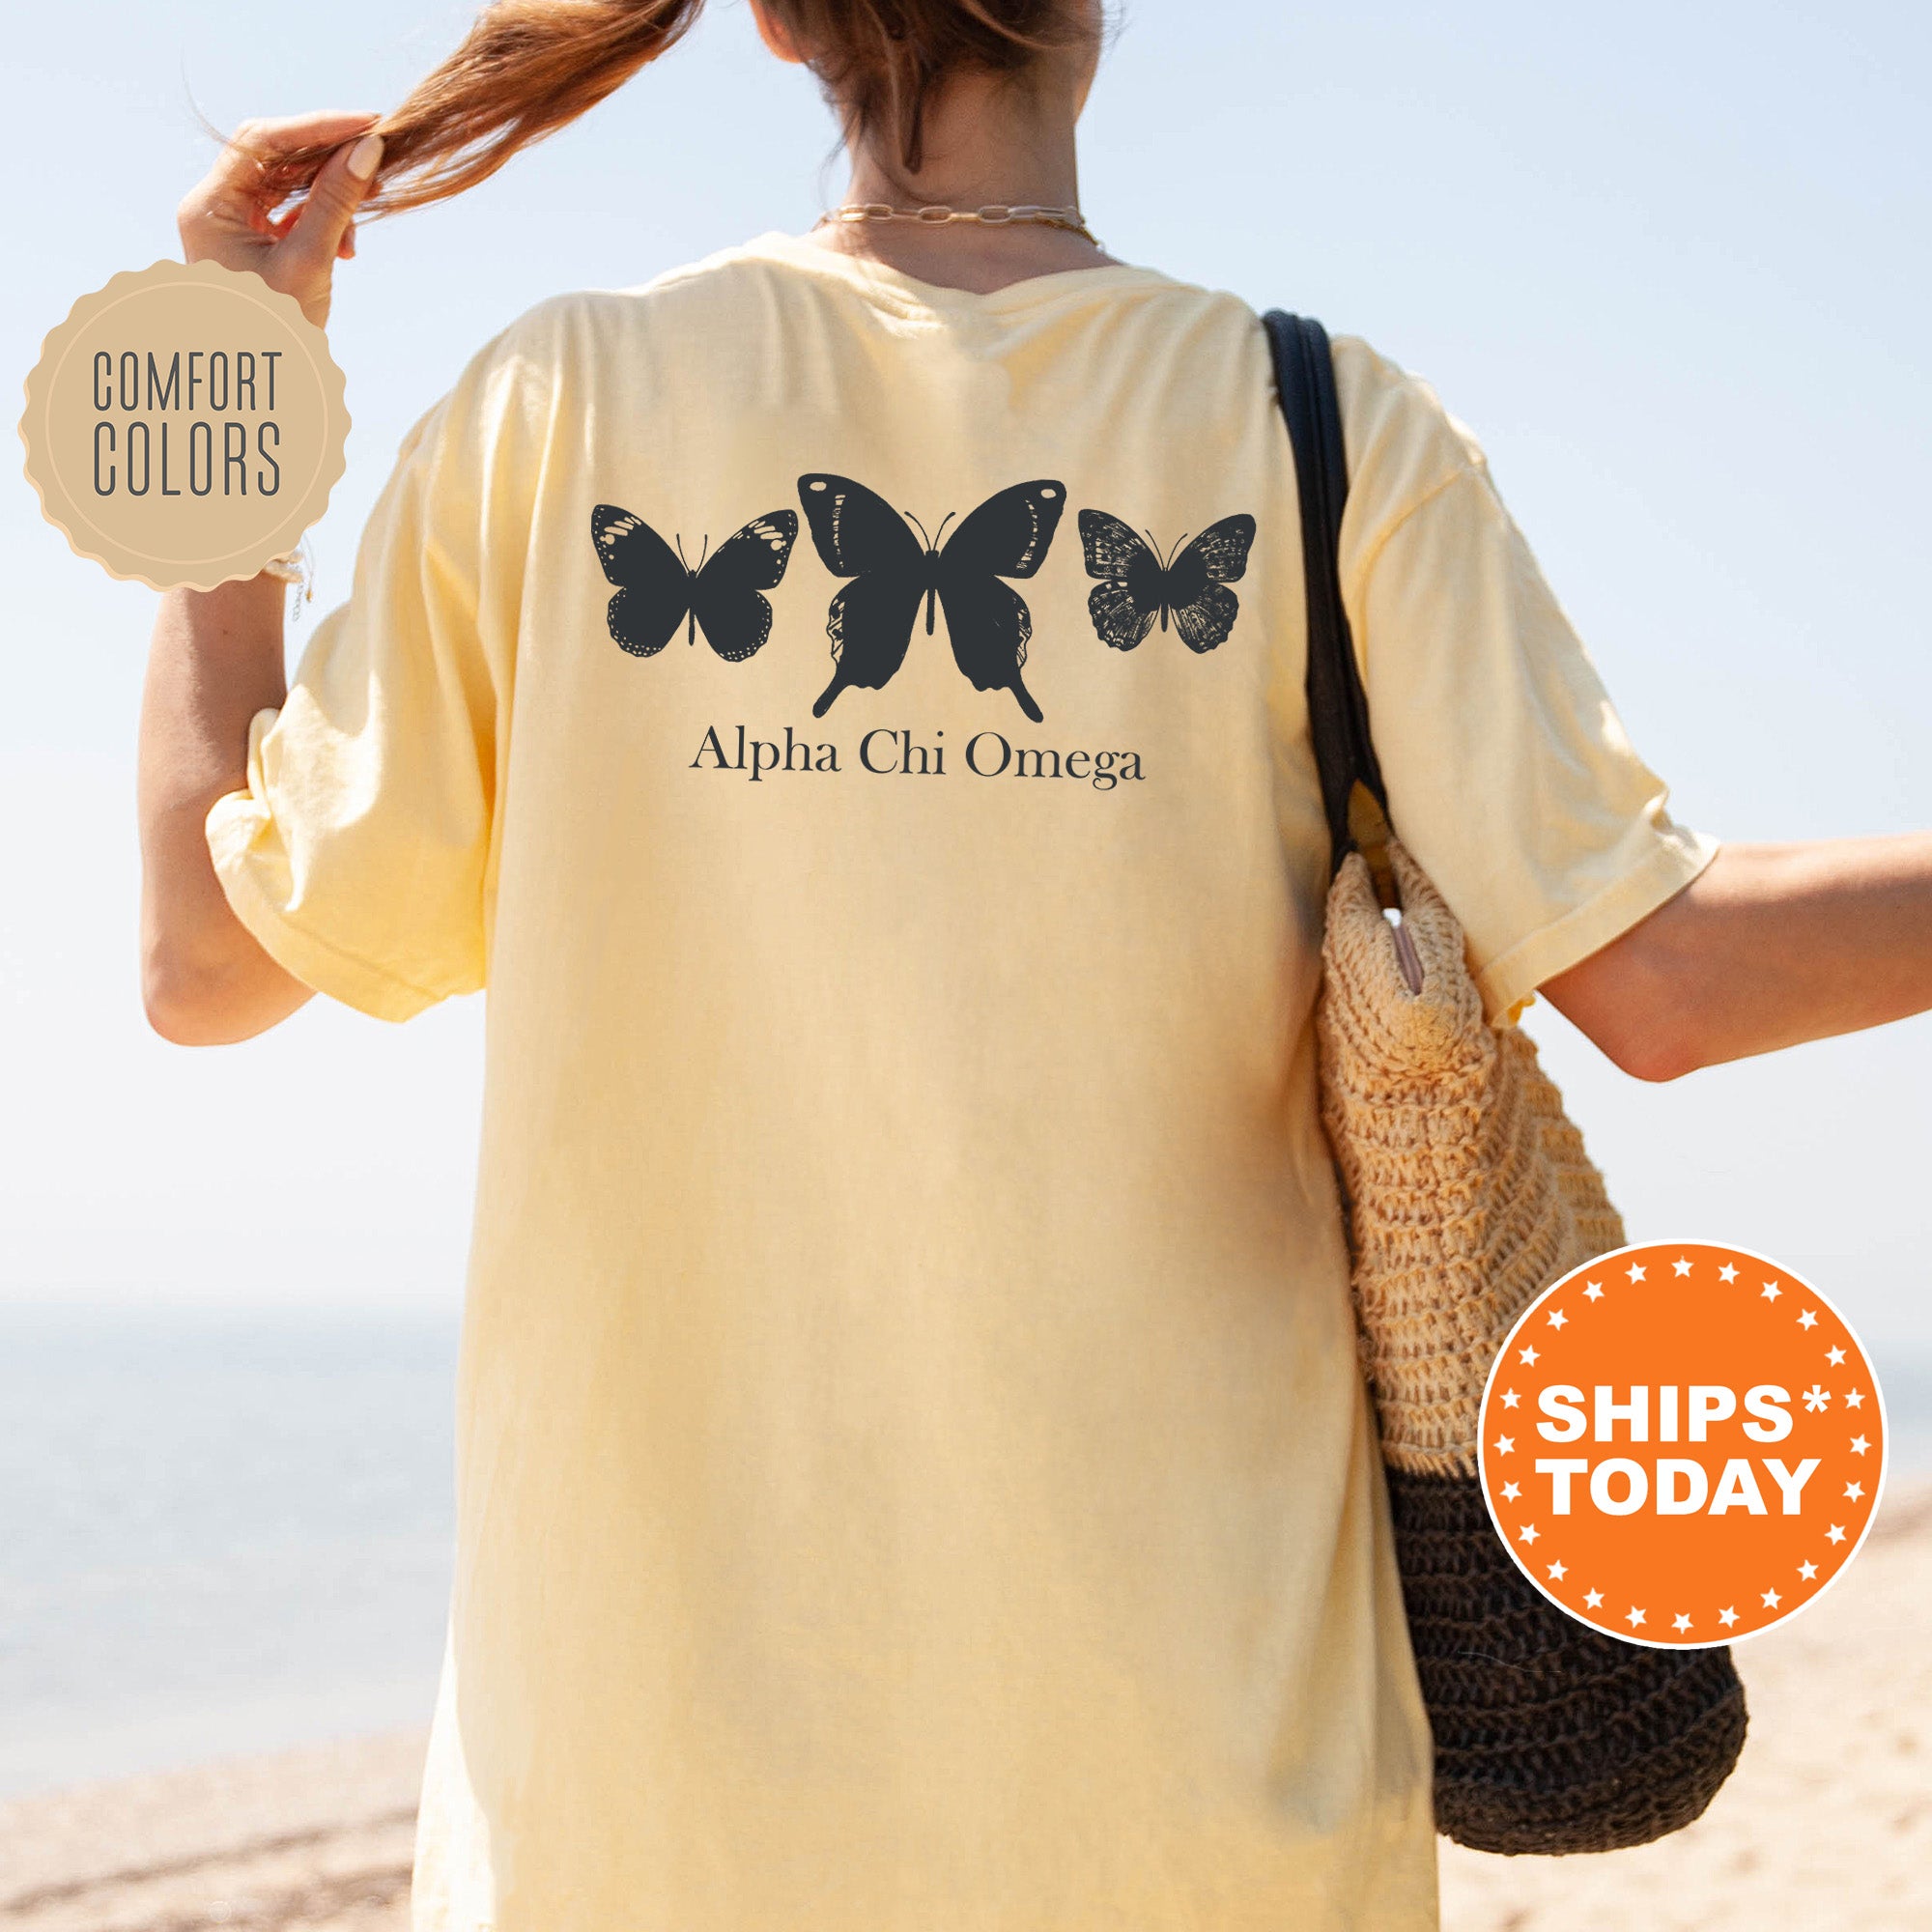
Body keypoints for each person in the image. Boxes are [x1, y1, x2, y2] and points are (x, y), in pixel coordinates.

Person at [138, 3, 1932, 1928]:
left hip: (640, 1809)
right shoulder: (1317, 428)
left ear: (768, 23)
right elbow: (1661, 983)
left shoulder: (559, 401)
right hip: (1207, 1790)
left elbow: (207, 963)